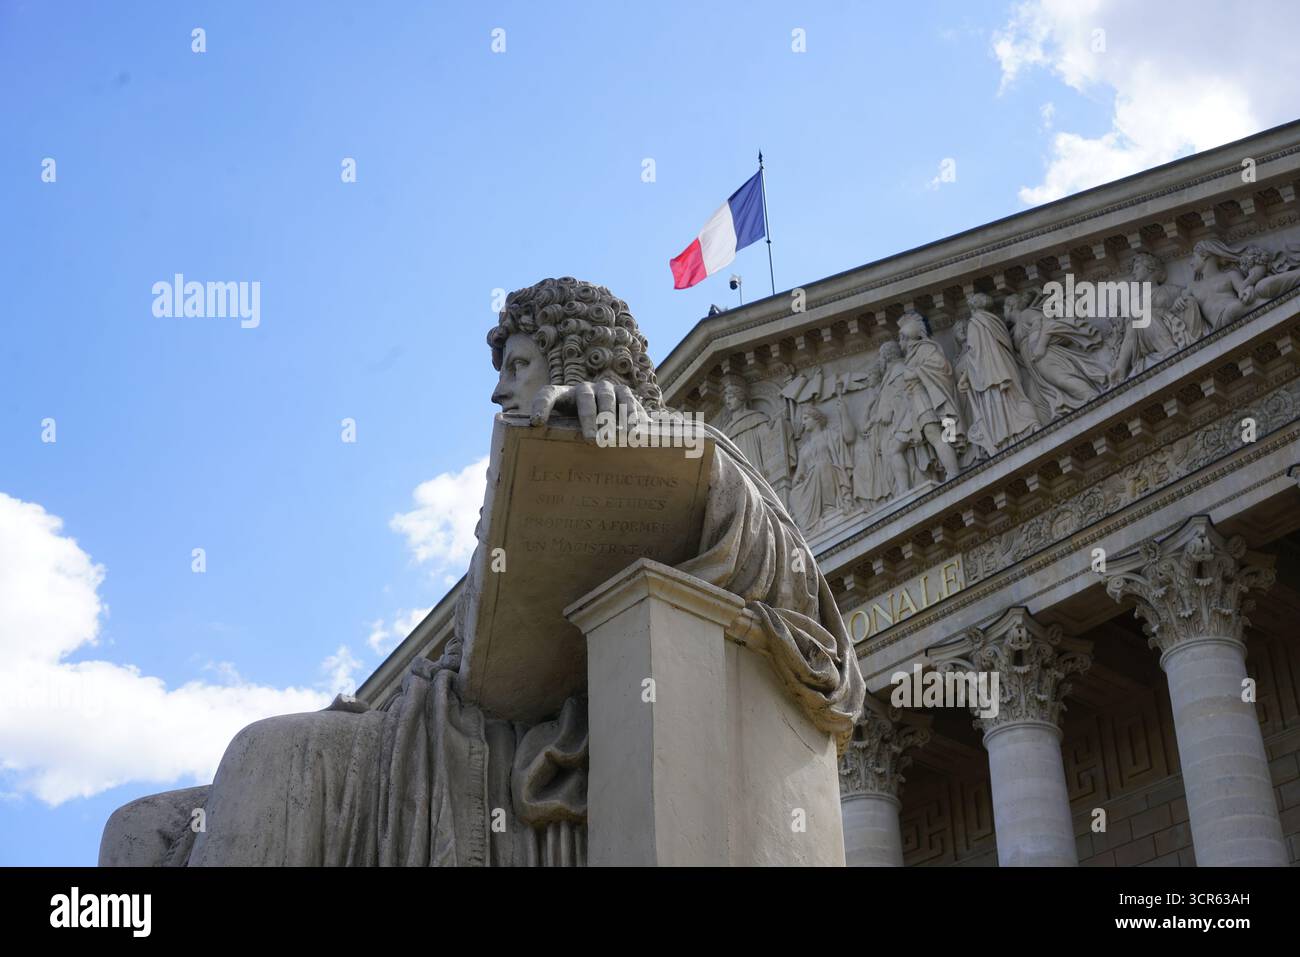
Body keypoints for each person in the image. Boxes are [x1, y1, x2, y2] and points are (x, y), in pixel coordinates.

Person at [100, 277, 865, 867]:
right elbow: (480, 650)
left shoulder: (694, 456)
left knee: (263, 757)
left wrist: (646, 442)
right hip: (446, 722)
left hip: (521, 741)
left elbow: (800, 600)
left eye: (521, 365)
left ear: (579, 366)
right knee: (137, 829)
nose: (500, 389)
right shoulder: (517, 497)